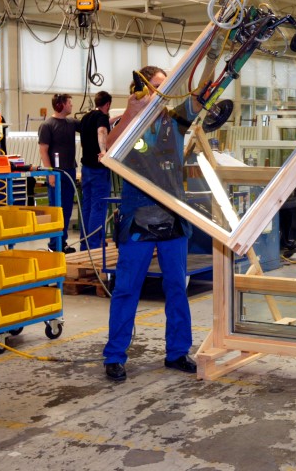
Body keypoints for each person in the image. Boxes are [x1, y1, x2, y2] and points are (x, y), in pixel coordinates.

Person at [102, 66, 197, 382]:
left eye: (166, 86)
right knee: (126, 289)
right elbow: (109, 148)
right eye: (157, 85)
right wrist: (132, 111)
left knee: (177, 288)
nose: (162, 92)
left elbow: (202, 96)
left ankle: (178, 352)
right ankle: (114, 356)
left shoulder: (176, 120)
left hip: (173, 217)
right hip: (137, 218)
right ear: (141, 89)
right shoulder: (128, 122)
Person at [39, 93, 79, 253]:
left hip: (70, 170)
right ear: (60, 105)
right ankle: (54, 245)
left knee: (67, 208)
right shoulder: (47, 125)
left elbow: (90, 126)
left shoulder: (72, 123)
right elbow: (43, 151)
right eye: (69, 103)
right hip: (56, 173)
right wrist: (50, 173)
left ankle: (62, 242)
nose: (71, 105)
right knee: (56, 209)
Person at [79, 91, 112, 251]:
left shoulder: (86, 117)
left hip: (86, 168)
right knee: (98, 207)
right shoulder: (102, 118)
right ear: (108, 104)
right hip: (98, 169)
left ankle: (84, 244)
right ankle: (94, 245)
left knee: (87, 206)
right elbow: (101, 131)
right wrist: (103, 151)